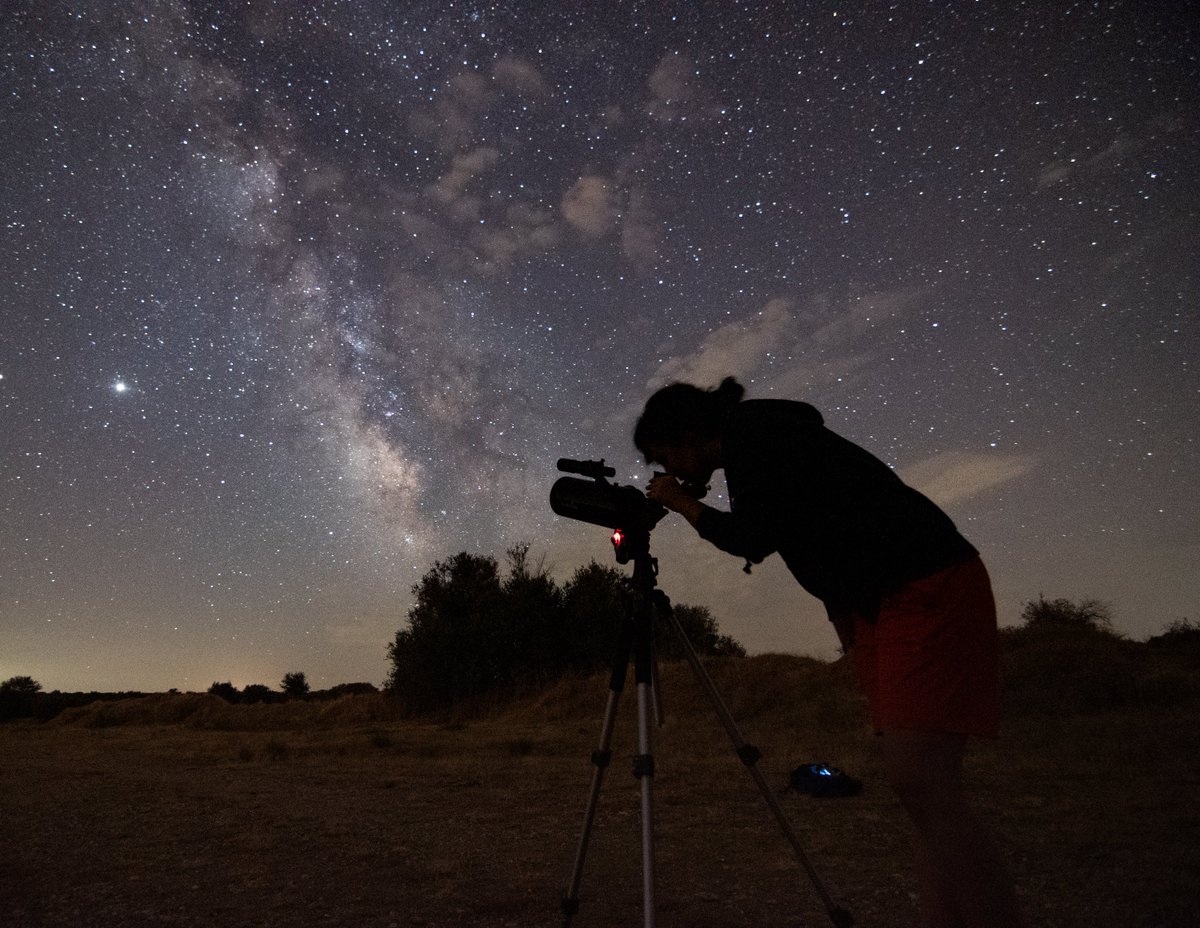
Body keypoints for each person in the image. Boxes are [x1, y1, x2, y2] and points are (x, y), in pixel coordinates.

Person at [636, 376, 1024, 928]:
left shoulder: (753, 435)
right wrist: (843, 614)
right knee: (926, 794)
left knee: (921, 780)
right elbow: (818, 528)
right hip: (881, 604)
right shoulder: (761, 440)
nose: (668, 470)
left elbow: (752, 537)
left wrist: (677, 503)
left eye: (664, 455)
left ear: (686, 432)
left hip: (923, 586)